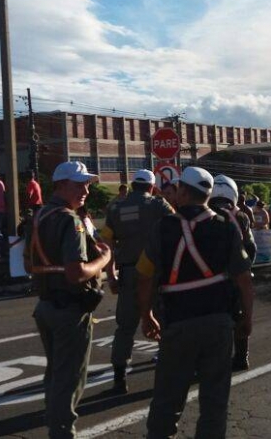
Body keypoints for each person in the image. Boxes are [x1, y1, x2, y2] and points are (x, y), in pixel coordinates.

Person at [137, 167, 255, 439]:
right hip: (218, 323)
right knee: (214, 402)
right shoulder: (226, 226)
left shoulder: (163, 227)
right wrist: (246, 319)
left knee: (167, 399)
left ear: (183, 192)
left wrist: (147, 315)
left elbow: (145, 276)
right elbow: (245, 279)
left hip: (177, 322)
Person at [28, 160, 111, 439]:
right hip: (69, 309)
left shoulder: (40, 216)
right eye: (79, 184)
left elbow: (31, 264)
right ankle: (62, 432)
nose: (86, 189)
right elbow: (76, 273)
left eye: (87, 183)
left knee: (55, 373)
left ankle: (54, 421)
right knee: (70, 378)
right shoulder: (69, 219)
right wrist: (104, 259)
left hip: (46, 306)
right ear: (60, 185)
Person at [99, 169, 174, 394]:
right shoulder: (159, 206)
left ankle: (120, 379)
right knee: (165, 323)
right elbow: (176, 230)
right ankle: (166, 377)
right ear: (151, 187)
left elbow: (106, 246)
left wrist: (111, 275)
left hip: (129, 273)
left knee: (125, 328)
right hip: (158, 274)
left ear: (132, 185)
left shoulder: (115, 208)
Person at [210, 174, 257, 371]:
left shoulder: (204, 215)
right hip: (237, 276)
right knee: (239, 316)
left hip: (210, 279)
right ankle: (241, 357)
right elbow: (251, 247)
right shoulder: (241, 216)